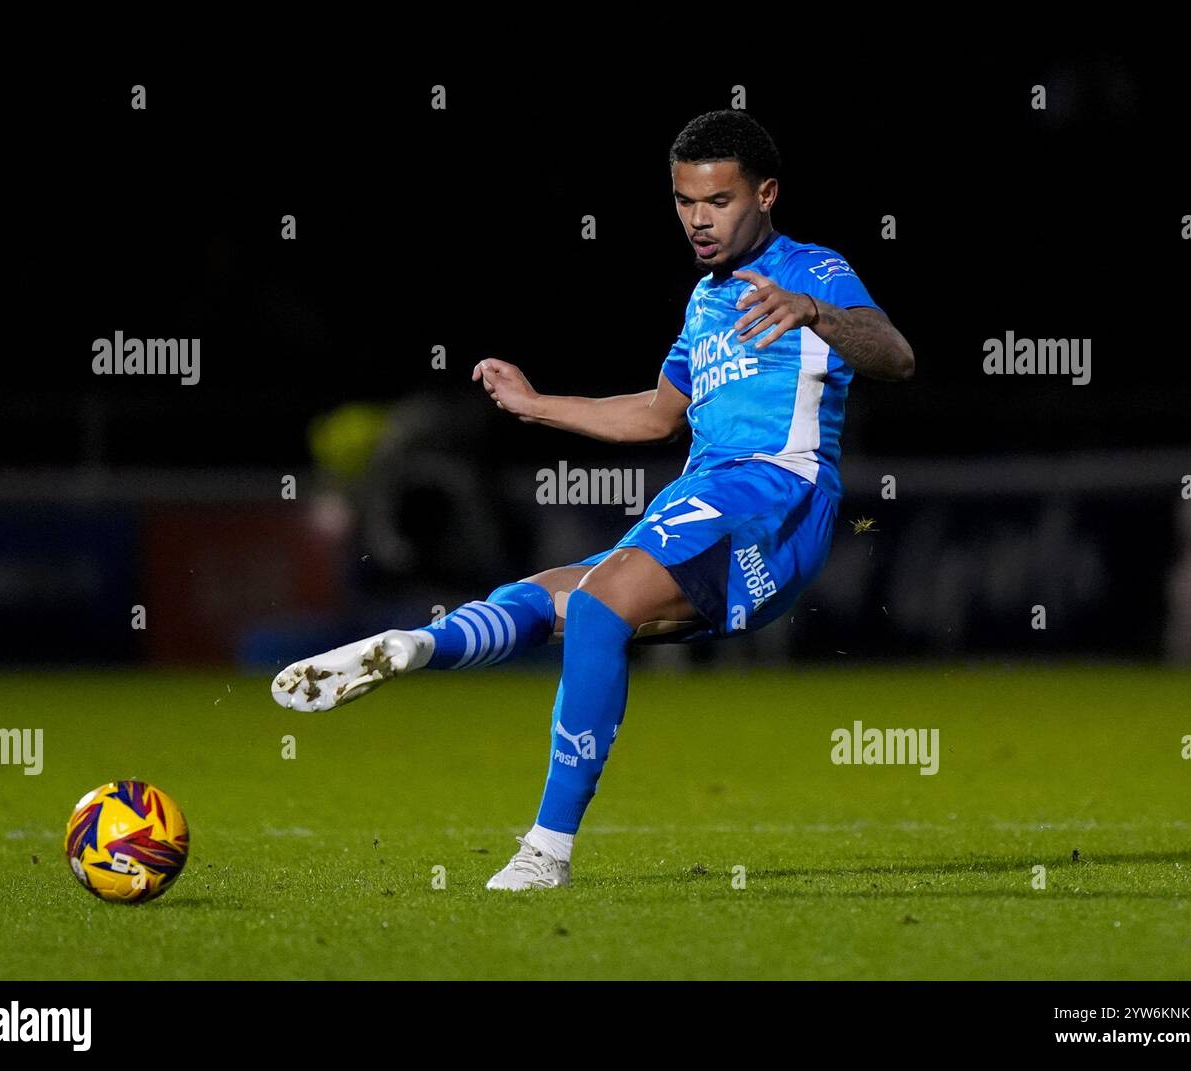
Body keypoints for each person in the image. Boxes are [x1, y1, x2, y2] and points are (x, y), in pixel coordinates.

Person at [270, 109, 915, 890]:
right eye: (684, 202)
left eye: (718, 202)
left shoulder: (812, 269)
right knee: (551, 599)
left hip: (773, 491)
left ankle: (546, 850)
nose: (698, 221)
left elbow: (896, 354)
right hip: (706, 495)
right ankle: (415, 648)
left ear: (768, 193)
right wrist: (539, 405)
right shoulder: (705, 301)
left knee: (602, 605)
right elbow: (656, 413)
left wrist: (814, 311)